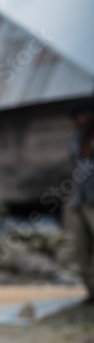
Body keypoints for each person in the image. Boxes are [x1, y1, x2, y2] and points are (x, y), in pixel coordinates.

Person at [69, 97, 94, 300]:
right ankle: (91, 291)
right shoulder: (77, 141)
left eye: (86, 114)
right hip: (79, 200)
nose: (82, 119)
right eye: (78, 116)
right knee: (80, 247)